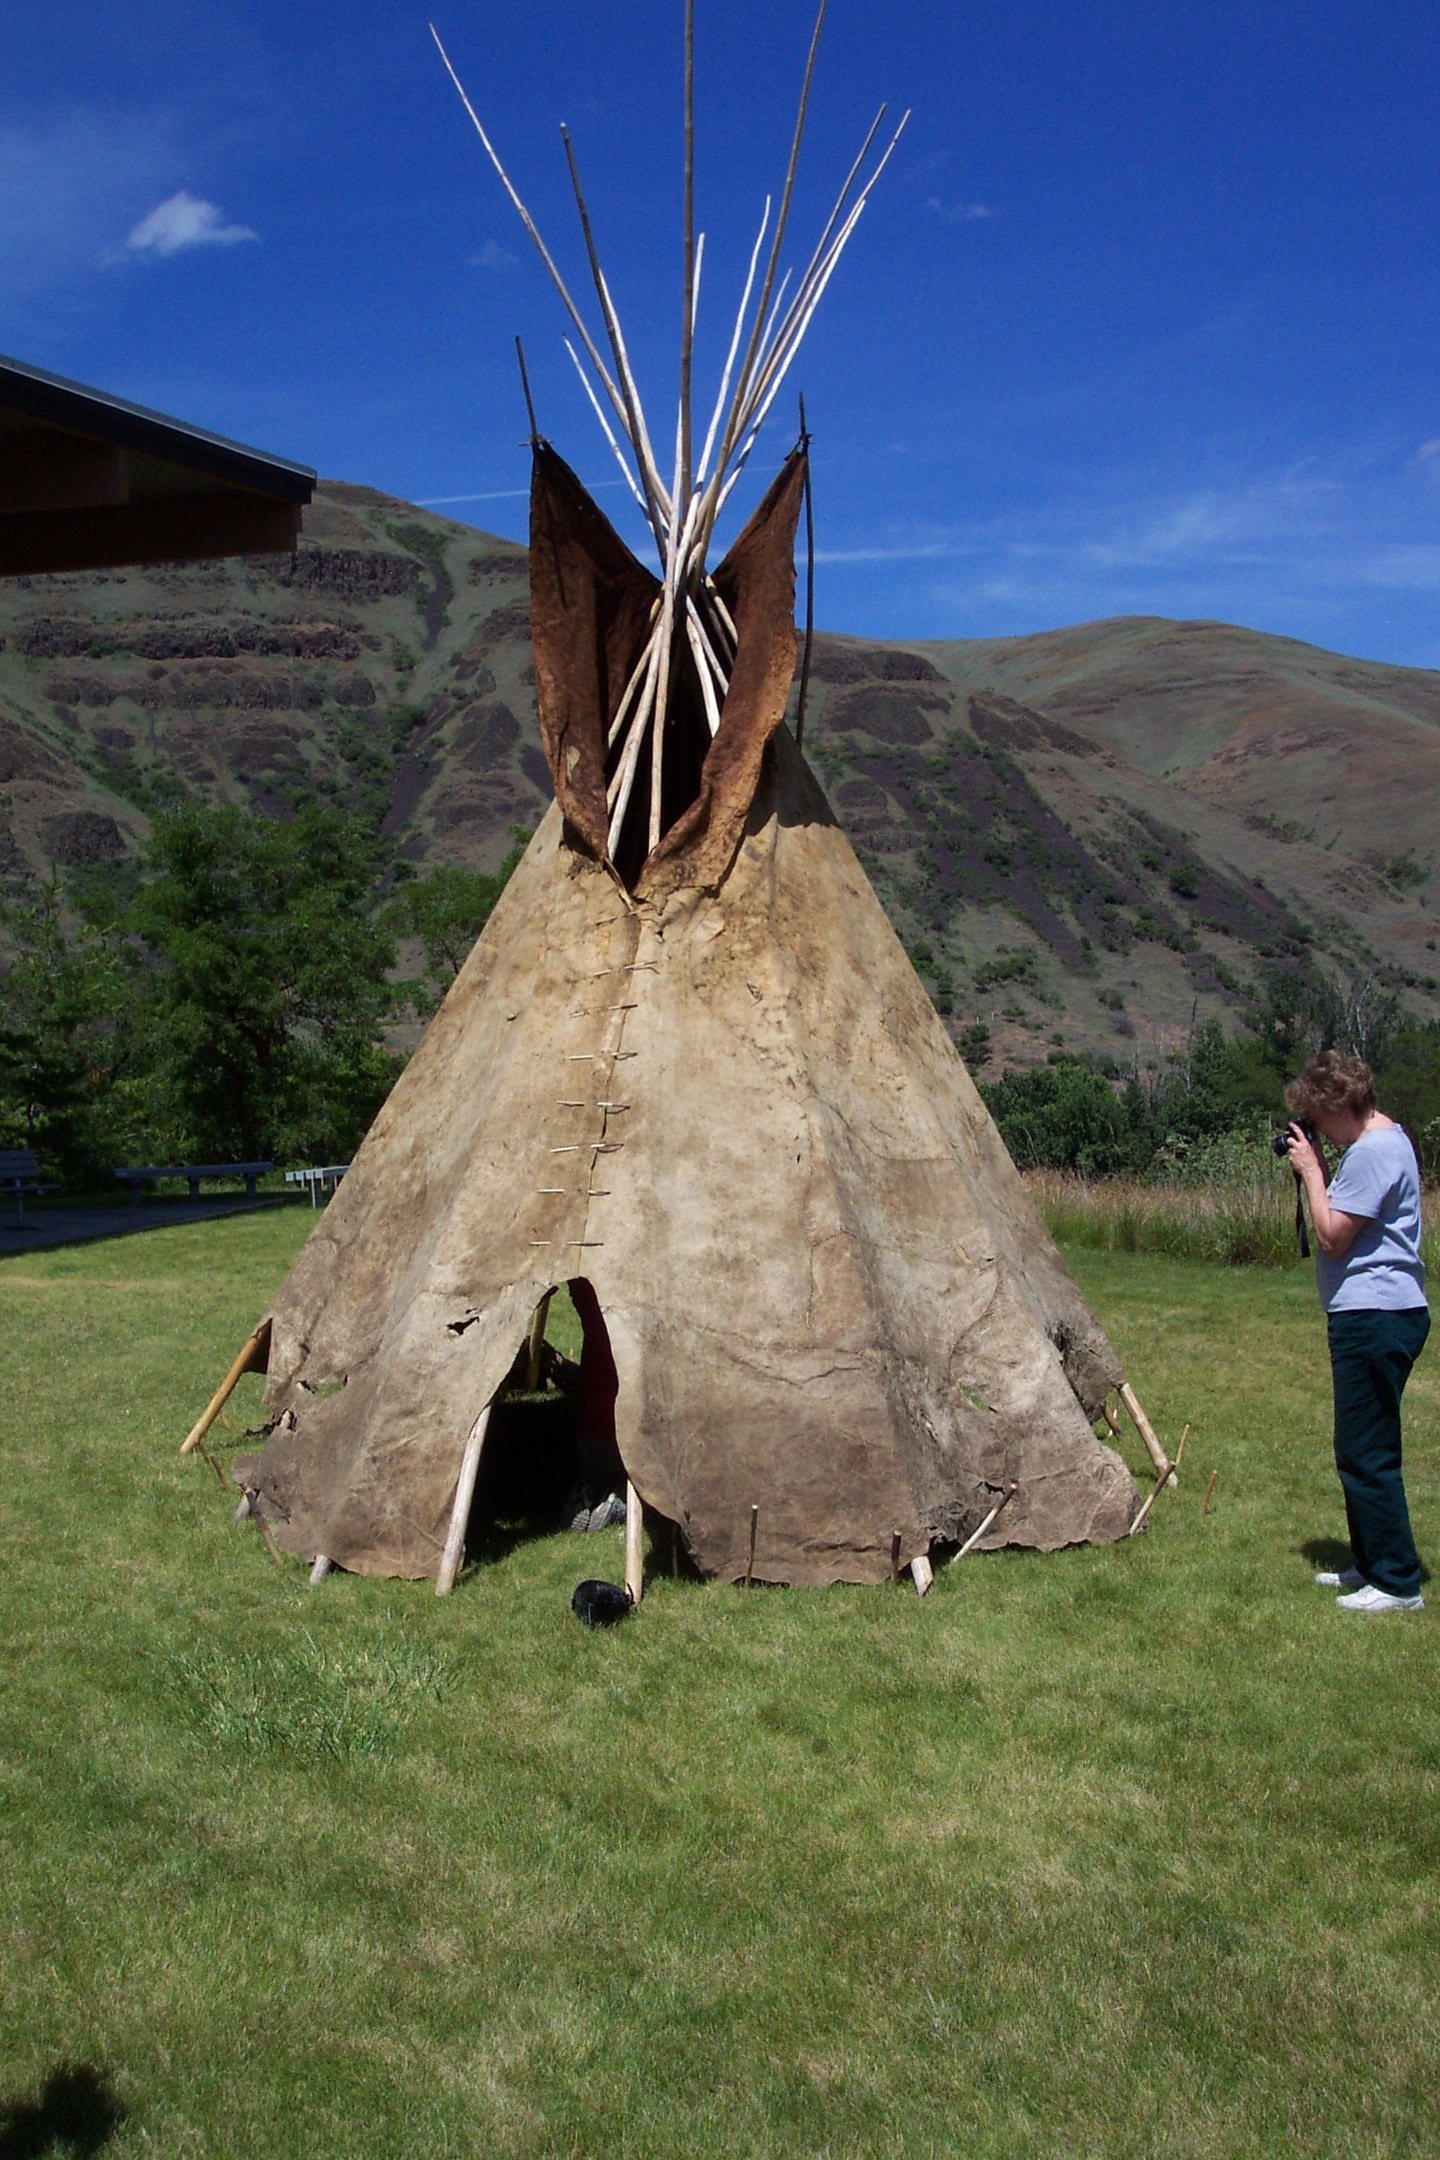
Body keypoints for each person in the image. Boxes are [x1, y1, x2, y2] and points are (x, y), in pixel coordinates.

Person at [1283, 1050, 1429, 1613]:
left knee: (1367, 1451)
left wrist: (1313, 1174)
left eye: (1318, 1119)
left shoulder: (1374, 1153)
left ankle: (1396, 1583)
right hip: (1376, 1313)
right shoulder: (1389, 1142)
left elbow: (1332, 1235)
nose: (1317, 1131)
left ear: (1338, 1106)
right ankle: (1371, 1563)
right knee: (1360, 1446)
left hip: (1375, 1315)